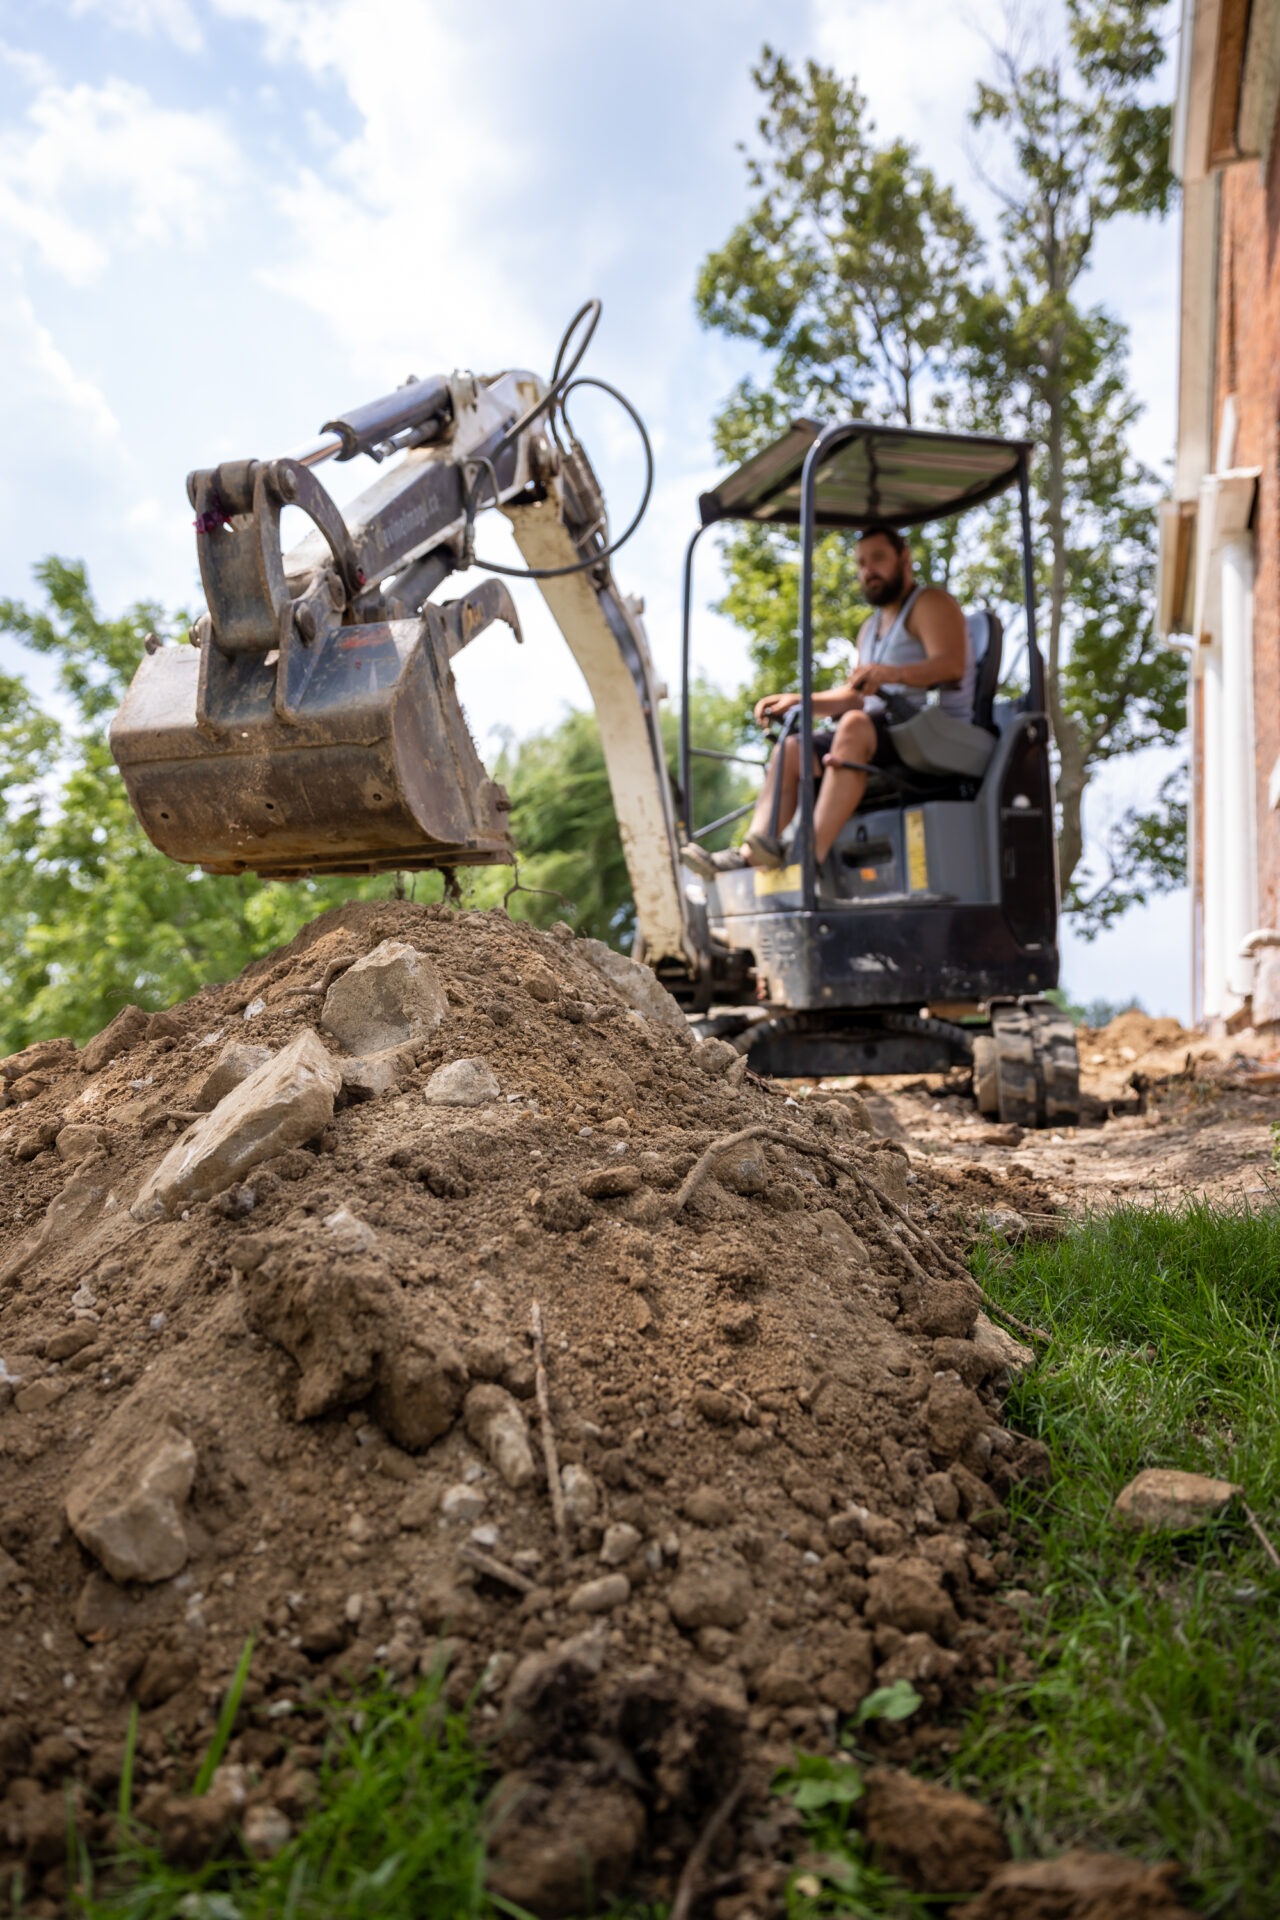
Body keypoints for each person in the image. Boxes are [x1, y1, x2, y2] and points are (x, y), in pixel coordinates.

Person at [681, 525, 971, 878]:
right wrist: (798, 701)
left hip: (928, 731)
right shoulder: (870, 628)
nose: (868, 571)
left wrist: (891, 674)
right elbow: (855, 696)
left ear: (904, 558)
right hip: (875, 729)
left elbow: (951, 666)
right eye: (861, 563)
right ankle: (751, 854)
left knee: (853, 725)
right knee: (790, 749)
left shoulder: (929, 603)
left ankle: (807, 857)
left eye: (878, 559)